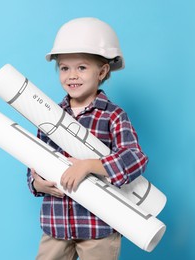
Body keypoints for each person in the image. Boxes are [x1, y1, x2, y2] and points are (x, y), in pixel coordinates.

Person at [27, 17, 149, 260]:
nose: (72, 75)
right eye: (64, 68)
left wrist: (89, 166)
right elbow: (33, 156)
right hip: (57, 223)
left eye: (81, 67)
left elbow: (135, 158)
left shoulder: (113, 116)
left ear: (102, 71)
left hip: (98, 226)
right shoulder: (49, 115)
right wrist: (36, 183)